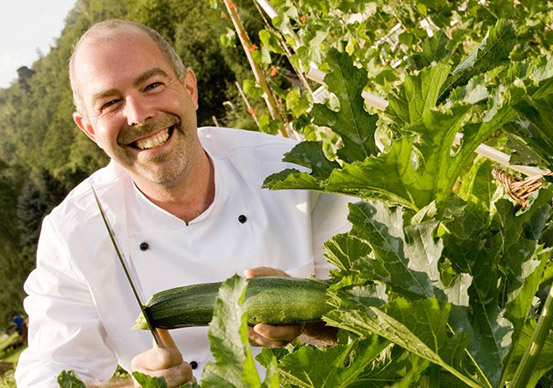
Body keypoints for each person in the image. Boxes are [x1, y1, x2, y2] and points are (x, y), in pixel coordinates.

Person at [14, 19, 352, 387]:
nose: (138, 115)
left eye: (153, 85)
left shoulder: (296, 170)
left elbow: (387, 314)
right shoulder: (73, 233)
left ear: (189, 88)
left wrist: (309, 319)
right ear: (90, 129)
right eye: (110, 103)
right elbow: (45, 375)